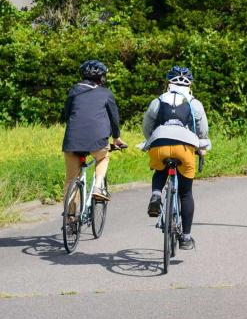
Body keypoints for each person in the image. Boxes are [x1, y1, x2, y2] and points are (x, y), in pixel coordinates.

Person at [141, 66, 211, 250]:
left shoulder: (158, 100)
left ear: (168, 83)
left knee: (160, 169)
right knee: (186, 193)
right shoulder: (194, 102)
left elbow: (147, 125)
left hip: (160, 143)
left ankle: (156, 194)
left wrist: (152, 141)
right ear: (190, 85)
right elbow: (203, 130)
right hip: (184, 146)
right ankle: (186, 238)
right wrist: (201, 146)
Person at [62, 60, 126, 202]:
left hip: (72, 141)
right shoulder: (106, 93)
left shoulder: (73, 91)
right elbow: (114, 118)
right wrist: (116, 137)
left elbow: (66, 114)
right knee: (103, 157)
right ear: (102, 77)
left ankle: (70, 218)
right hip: (97, 141)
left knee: (70, 179)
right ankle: (98, 187)